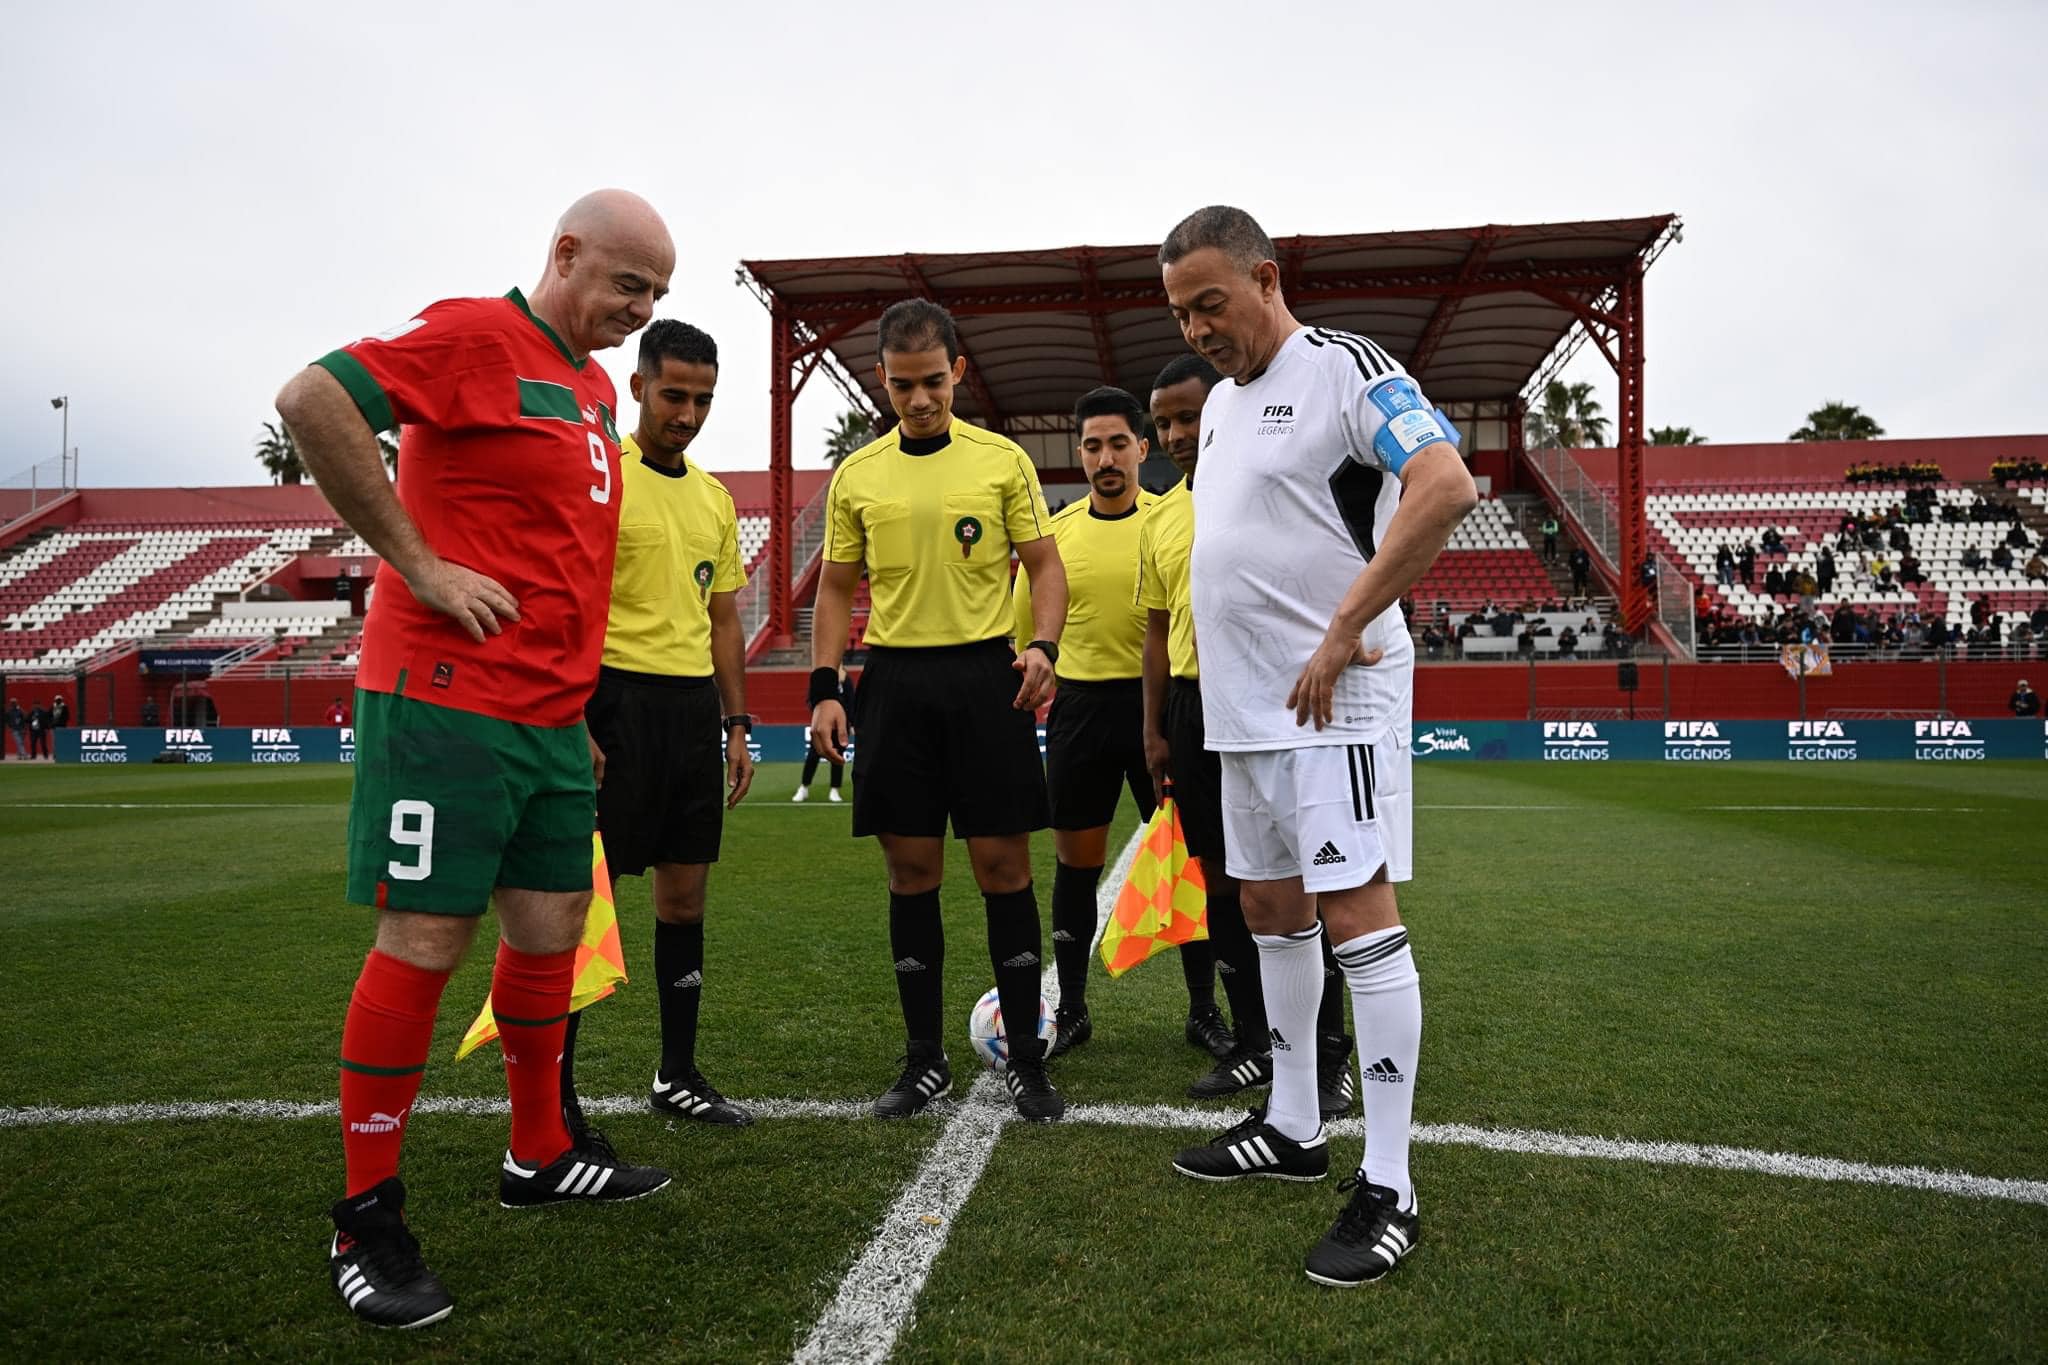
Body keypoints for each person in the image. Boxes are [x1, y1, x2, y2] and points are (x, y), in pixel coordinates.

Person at [275, 189, 676, 1329]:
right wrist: (421, 564)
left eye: (657, 295)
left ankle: (538, 1152)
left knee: (551, 927)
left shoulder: (595, 387)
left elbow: (557, 557)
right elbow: (310, 398)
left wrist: (576, 708)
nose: (641, 312)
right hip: (444, 701)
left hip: (549, 718)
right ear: (564, 253)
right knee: (426, 937)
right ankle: (365, 1216)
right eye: (629, 285)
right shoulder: (471, 333)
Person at [1156, 206, 1477, 1287]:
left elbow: (1444, 485)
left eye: (1210, 303)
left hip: (1336, 698)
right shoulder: (1217, 408)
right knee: (1267, 909)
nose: (1198, 329)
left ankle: (1389, 1182)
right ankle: (1294, 1126)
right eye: (1181, 314)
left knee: (1353, 915)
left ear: (1265, 277)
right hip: (1246, 708)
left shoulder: (1344, 368)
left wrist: (1343, 629)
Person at [808, 298, 1068, 1123]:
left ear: (957, 371)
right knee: (911, 873)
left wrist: (1044, 645)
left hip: (987, 679)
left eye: (932, 382)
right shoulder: (858, 474)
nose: (918, 400)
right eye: (901, 385)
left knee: (1004, 869)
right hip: (893, 684)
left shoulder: (1002, 460)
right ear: (881, 380)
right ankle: (924, 1060)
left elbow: (1045, 565)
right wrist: (825, 685)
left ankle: (1027, 1058)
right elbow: (835, 588)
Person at [559, 319, 758, 1138]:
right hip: (611, 702)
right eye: (674, 395)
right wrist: (572, 714)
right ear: (638, 386)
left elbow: (724, 620)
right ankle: (553, 1097)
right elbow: (566, 599)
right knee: (574, 907)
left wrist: (736, 723)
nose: (687, 414)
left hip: (689, 713)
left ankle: (676, 1073)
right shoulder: (601, 477)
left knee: (684, 899)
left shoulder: (714, 499)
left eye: (703, 399)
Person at [1139, 356, 1353, 1116]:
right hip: (1193, 708)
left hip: (1269, 701)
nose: (1176, 434)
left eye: (1188, 417)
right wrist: (1154, 730)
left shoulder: (1265, 487)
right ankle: (1256, 1041)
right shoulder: (1160, 517)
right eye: (1163, 422)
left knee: (1299, 883)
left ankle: (1328, 1053)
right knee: (1224, 883)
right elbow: (1156, 631)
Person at [1013, 384, 1229, 1063]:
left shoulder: (1174, 519)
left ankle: (1205, 1010)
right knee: (1076, 865)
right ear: (1079, 454)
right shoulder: (1055, 537)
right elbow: (1026, 634)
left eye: (1116, 444)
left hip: (1162, 710)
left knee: (1190, 862)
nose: (1105, 458)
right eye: (1092, 446)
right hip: (1080, 712)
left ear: (1141, 447)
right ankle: (1073, 1010)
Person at [793, 667, 854, 802]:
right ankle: (804, 787)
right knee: (813, 756)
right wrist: (817, 712)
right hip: (823, 723)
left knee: (838, 757)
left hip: (840, 724)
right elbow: (812, 698)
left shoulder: (845, 679)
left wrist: (851, 722)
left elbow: (851, 701)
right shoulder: (822, 679)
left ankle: (834, 790)